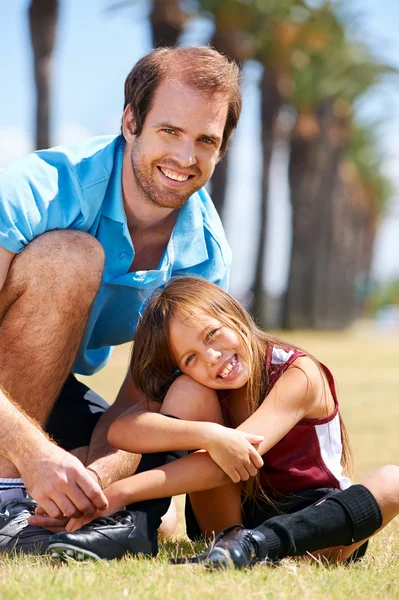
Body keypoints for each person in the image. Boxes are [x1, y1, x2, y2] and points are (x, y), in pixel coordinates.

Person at [0, 46, 241, 554]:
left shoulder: (204, 258)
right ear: (131, 120)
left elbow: (142, 397)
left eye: (205, 141)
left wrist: (99, 476)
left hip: (41, 387)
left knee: (152, 450)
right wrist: (30, 454)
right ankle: (6, 495)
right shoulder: (33, 191)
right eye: (170, 131)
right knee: (71, 256)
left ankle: (47, 501)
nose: (184, 157)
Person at [47, 277, 398, 566]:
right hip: (227, 524)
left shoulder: (298, 373)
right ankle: (136, 526)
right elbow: (123, 431)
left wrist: (120, 490)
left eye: (212, 334)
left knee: (393, 481)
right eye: (190, 357)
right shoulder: (201, 384)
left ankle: (258, 546)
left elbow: (235, 459)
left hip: (310, 525)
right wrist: (209, 433)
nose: (213, 358)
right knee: (187, 392)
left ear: (234, 314)